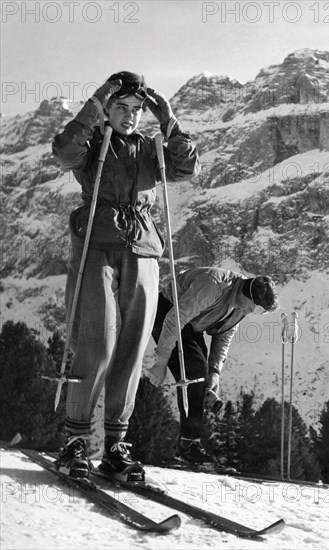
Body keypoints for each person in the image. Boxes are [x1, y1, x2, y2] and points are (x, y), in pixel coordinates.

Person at [52, 71, 200, 481]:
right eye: (122, 108)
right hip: (96, 244)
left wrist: (168, 119)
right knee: (96, 340)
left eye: (137, 110)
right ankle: (76, 439)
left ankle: (117, 443)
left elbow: (187, 167)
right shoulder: (92, 145)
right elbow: (63, 151)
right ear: (108, 111)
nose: (131, 117)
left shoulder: (152, 150)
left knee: (133, 347)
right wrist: (98, 99)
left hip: (145, 249)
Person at [148, 267, 279, 465]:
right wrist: (161, 362)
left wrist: (215, 373)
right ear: (249, 295)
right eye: (257, 308)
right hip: (168, 312)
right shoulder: (213, 285)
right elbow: (175, 318)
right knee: (195, 372)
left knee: (203, 376)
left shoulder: (241, 307)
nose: (254, 313)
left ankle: (191, 442)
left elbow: (223, 336)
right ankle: (188, 444)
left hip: (192, 325)